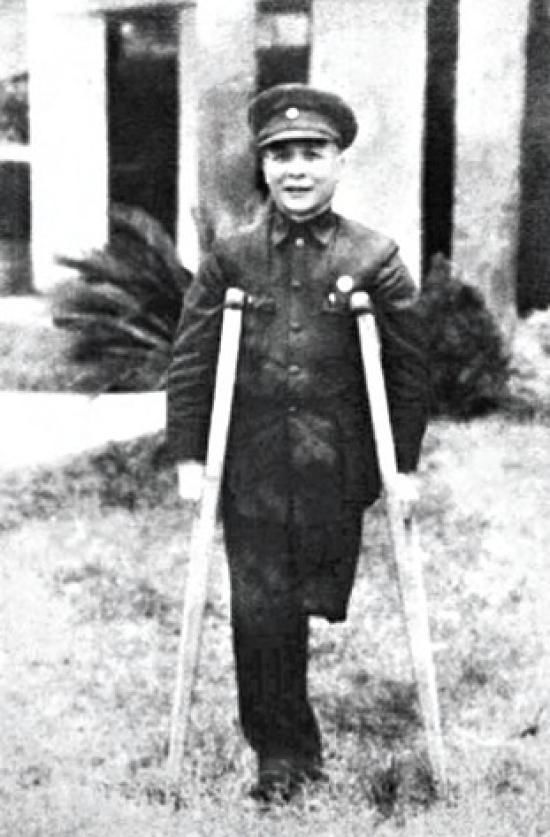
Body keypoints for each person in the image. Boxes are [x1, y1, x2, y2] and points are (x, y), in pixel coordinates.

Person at [166, 83, 429, 803]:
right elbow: (192, 359)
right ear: (264, 166)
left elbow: (408, 370)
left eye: (313, 154)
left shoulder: (374, 256)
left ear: (338, 163)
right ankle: (282, 756)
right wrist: (190, 455)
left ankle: (298, 696)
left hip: (336, 466)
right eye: (281, 156)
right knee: (261, 610)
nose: (297, 169)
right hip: (251, 464)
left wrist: (402, 465)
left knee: (316, 593)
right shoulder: (232, 258)